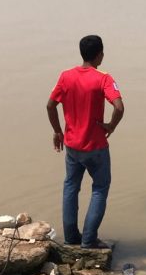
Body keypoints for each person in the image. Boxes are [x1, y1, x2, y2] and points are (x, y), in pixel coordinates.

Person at [46, 35, 124, 248]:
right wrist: (111, 126)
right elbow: (119, 107)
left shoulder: (66, 76)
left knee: (71, 187)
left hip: (72, 145)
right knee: (100, 188)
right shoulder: (103, 78)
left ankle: (71, 238)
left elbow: (50, 105)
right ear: (100, 55)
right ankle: (88, 241)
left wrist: (57, 131)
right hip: (96, 146)